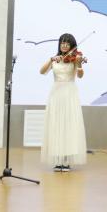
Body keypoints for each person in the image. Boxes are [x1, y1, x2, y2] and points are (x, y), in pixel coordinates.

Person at [39, 32, 87, 172]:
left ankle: (66, 160)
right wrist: (51, 59)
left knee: (68, 126)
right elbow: (42, 71)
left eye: (67, 43)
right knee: (56, 125)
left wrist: (79, 64)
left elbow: (80, 75)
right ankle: (58, 159)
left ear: (72, 46)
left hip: (69, 94)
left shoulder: (74, 59)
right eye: (62, 43)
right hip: (56, 94)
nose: (64, 45)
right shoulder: (55, 60)